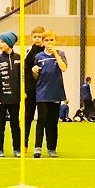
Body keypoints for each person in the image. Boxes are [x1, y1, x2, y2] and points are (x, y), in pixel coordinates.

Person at [30, 29, 69, 157]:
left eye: (51, 40)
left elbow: (63, 68)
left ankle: (52, 148)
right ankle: (38, 147)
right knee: (42, 119)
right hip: (42, 93)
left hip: (56, 93)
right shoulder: (39, 57)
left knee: (53, 122)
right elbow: (36, 76)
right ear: (43, 42)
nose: (49, 42)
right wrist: (34, 71)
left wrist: (55, 54)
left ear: (55, 41)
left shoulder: (60, 54)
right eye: (46, 40)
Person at [0, 31, 22, 157]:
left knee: (15, 124)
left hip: (15, 99)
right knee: (0, 125)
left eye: (2, 42)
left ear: (10, 43)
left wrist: (23, 93)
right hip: (1, 99)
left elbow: (22, 78)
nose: (0, 44)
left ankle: (17, 149)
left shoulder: (19, 58)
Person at [21, 27, 45, 149]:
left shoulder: (46, 51)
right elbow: (25, 71)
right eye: (35, 37)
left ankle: (39, 145)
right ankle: (24, 143)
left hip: (44, 89)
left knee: (42, 117)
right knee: (28, 116)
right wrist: (25, 89)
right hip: (31, 89)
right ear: (31, 38)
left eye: (39, 37)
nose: (37, 39)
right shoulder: (29, 52)